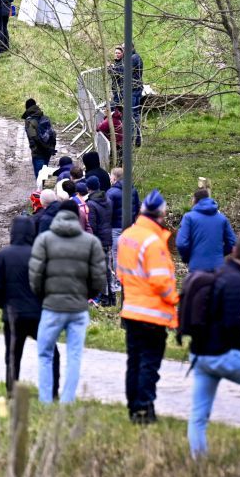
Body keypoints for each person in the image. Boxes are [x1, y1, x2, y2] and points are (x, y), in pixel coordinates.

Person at [186, 234, 240, 456]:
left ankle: (198, 463)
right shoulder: (236, 282)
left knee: (198, 417)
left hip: (199, 356)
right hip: (222, 354)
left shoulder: (218, 274)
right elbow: (232, 326)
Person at [28, 200, 106, 404]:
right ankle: (67, 401)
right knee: (74, 355)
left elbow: (35, 276)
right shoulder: (91, 242)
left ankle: (45, 401)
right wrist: (85, 295)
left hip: (52, 306)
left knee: (45, 353)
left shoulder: (44, 240)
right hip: (78, 308)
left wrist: (44, 295)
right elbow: (99, 278)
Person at [117, 190, 179, 423]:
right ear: (161, 214)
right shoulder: (153, 242)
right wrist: (176, 300)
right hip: (153, 314)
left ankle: (134, 407)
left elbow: (122, 274)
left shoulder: (128, 236)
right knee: (149, 364)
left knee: (134, 362)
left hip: (132, 309)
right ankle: (144, 411)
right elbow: (161, 280)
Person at [0, 215, 59, 396]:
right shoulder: (40, 254)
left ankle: (11, 391)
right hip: (38, 314)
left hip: (13, 314)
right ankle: (52, 392)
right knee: (52, 353)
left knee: (13, 356)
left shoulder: (3, 255)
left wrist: (4, 306)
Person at [176, 188, 237, 273]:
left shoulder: (189, 217)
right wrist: (219, 254)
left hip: (197, 268)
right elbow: (232, 242)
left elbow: (181, 243)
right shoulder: (222, 218)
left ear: (195, 200)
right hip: (218, 268)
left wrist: (187, 258)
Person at [107, 166, 140, 289]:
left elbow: (108, 211)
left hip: (115, 227)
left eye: (111, 176)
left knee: (116, 254)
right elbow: (137, 207)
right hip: (130, 226)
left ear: (114, 177)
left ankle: (119, 280)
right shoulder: (133, 190)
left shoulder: (111, 193)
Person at [87, 177, 114, 306]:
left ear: (88, 188)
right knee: (107, 268)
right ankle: (111, 296)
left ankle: (103, 297)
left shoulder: (91, 204)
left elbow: (92, 225)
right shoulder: (107, 199)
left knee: (100, 269)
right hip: (108, 237)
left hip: (98, 239)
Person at [21, 98, 57, 179]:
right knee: (44, 174)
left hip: (38, 153)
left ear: (27, 108)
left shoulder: (29, 121)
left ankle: (42, 191)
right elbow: (52, 133)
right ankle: (44, 189)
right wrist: (50, 148)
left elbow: (33, 138)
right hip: (48, 151)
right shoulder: (45, 118)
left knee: (40, 178)